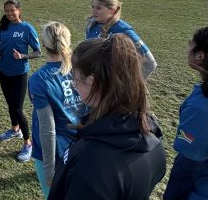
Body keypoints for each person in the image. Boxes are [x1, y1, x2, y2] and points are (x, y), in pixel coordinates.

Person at [48, 35, 166, 199]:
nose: (74, 84)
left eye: (75, 78)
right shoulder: (152, 136)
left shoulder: (90, 163)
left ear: (93, 82)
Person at [28, 22, 83, 198]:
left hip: (57, 151)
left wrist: (49, 169)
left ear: (44, 45)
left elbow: (47, 129)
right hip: (83, 145)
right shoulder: (82, 68)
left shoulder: (39, 79)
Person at [0, 0, 41, 162]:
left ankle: (28, 143)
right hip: (3, 71)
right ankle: (15, 129)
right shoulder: (3, 26)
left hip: (19, 74)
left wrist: (23, 56)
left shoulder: (27, 28)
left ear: (19, 10)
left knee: (18, 108)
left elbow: (38, 52)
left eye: (12, 10)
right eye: (7, 11)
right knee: (10, 105)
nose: (9, 13)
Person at [164, 27, 208, 200]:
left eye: (190, 43)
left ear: (200, 56)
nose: (187, 47)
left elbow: (188, 167)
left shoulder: (201, 109)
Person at [86, 0, 157, 78]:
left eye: (98, 8)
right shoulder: (92, 24)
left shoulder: (123, 30)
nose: (93, 11)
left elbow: (150, 63)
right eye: (92, 7)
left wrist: (132, 85)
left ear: (112, 10)